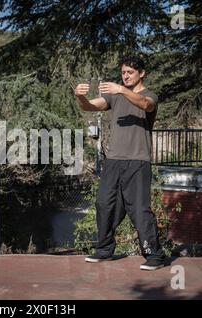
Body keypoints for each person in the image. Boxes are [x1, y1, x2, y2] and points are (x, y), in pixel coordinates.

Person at [75, 55, 165, 271]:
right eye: (123, 73)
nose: (125, 76)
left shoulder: (148, 95)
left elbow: (146, 105)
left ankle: (154, 255)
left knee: (139, 209)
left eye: (130, 72)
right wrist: (80, 97)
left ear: (141, 73)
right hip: (113, 161)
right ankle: (104, 250)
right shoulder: (114, 96)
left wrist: (122, 90)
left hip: (138, 161)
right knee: (103, 204)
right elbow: (90, 107)